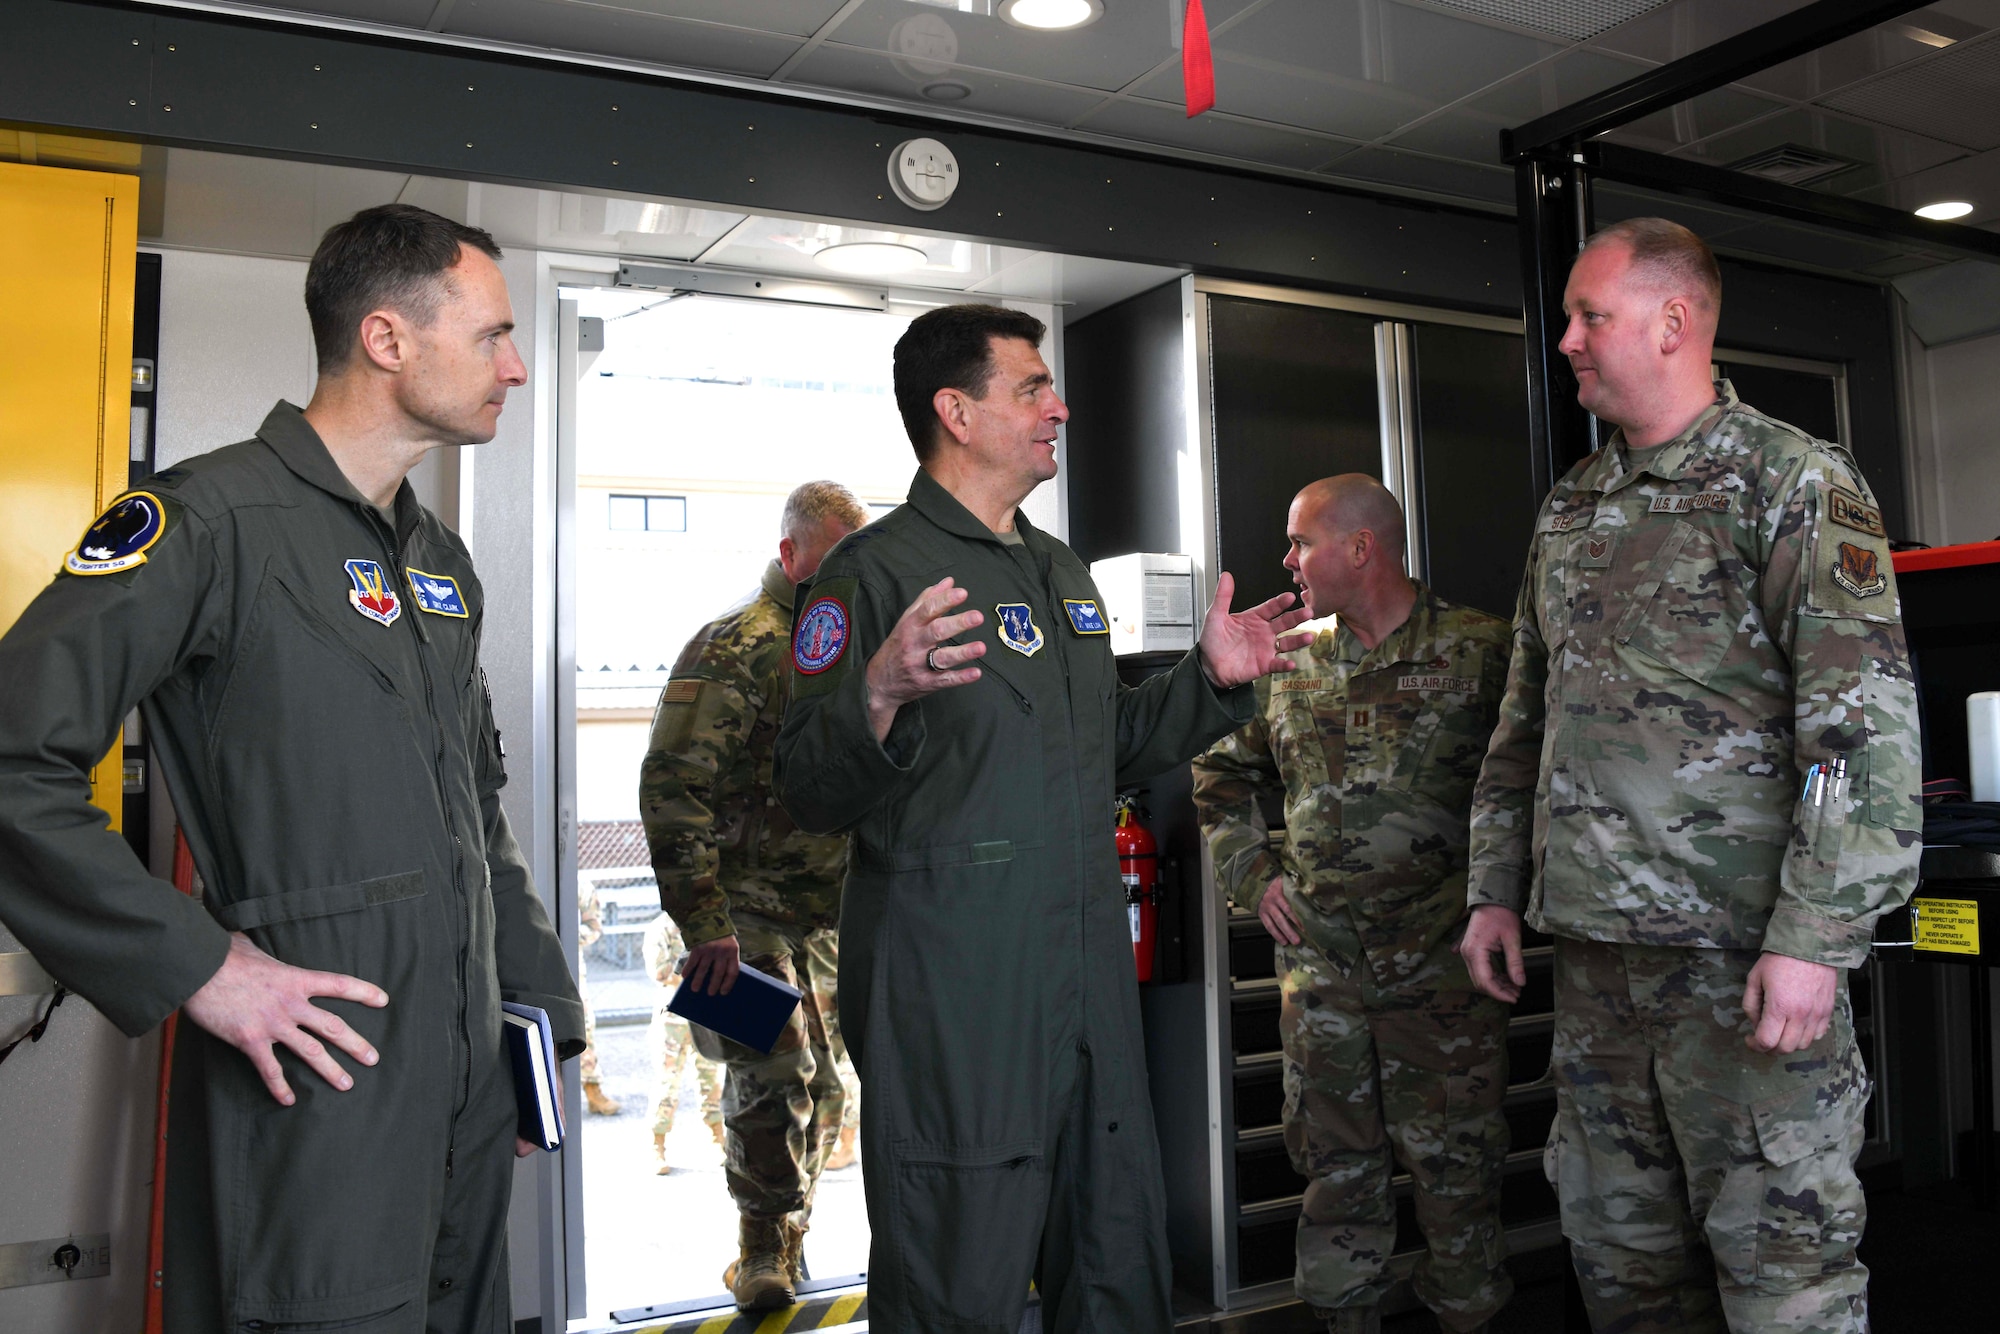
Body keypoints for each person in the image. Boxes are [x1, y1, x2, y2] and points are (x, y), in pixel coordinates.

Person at [0, 203, 582, 1333]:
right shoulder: (204, 520)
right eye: (493, 336)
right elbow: (12, 757)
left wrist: (537, 1007)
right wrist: (199, 964)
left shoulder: (439, 560)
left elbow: (478, 810)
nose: (515, 368)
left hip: (466, 1077)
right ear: (386, 339)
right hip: (318, 1068)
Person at [772, 303, 1313, 1333]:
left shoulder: (1059, 570)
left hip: (1084, 976)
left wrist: (1207, 679)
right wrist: (875, 693)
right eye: (1030, 388)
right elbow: (804, 785)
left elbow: (1096, 742)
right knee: (955, 1270)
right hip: (955, 988)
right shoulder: (869, 573)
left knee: (1114, 1250)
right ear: (955, 412)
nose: (1058, 406)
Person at [1459, 218, 1920, 1333]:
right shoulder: (1573, 505)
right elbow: (1527, 710)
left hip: (1741, 971)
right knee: (1623, 1274)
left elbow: (1858, 736)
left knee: (1782, 1286)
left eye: (1588, 316)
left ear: (1670, 323)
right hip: (1600, 970)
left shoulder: (1790, 480)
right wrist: (1491, 882)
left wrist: (1812, 937)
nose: (1564, 339)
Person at [1192, 476, 1514, 1334]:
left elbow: (1533, 785)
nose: (1288, 561)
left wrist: (1502, 901)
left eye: (1301, 543)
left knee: (1458, 1176)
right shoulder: (1291, 658)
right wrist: (1251, 875)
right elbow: (1218, 775)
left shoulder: (1484, 652)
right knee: (1336, 1176)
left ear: (1362, 549)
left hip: (1443, 973)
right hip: (1322, 976)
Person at [638, 480, 869, 1310]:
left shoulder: (840, 649)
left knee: (830, 1089)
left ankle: (788, 1244)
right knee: (776, 1074)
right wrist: (703, 924)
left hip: (825, 918)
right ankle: (761, 1248)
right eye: (836, 557)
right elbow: (672, 785)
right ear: (791, 554)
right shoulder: (740, 644)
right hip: (736, 916)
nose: (850, 575)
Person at [640, 909, 725, 1172]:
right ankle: (657, 1145)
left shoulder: (707, 924)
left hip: (705, 1013)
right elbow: (661, 972)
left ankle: (717, 1138)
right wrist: (704, 970)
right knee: (667, 1084)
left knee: (711, 1080)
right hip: (673, 1018)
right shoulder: (660, 928)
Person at [577, 883, 625, 1116]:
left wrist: (564, 933)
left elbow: (593, 928)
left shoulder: (581, 886)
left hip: (572, 969)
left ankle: (593, 1091)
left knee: (583, 1028)